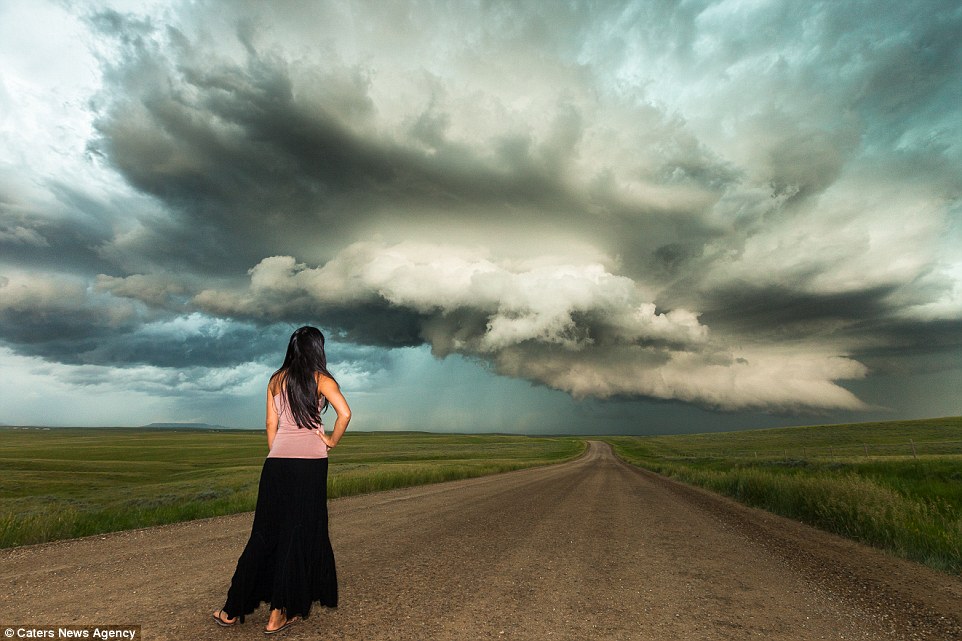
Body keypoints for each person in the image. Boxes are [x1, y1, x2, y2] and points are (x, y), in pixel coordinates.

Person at [212, 326, 351, 634]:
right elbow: (345, 413)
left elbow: (269, 422)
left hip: (276, 464)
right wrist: (329, 441)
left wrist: (277, 452)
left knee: (264, 533)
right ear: (317, 349)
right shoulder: (321, 380)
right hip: (311, 465)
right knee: (298, 533)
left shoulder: (276, 379)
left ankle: (231, 610)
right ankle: (277, 614)